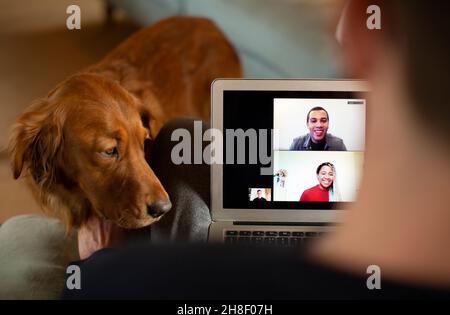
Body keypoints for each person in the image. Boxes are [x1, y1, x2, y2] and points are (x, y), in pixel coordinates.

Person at [63, 0, 450, 299]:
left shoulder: (124, 283)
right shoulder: (314, 150)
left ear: (362, 30)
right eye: (313, 120)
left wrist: (100, 261)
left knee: (182, 135)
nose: (317, 126)